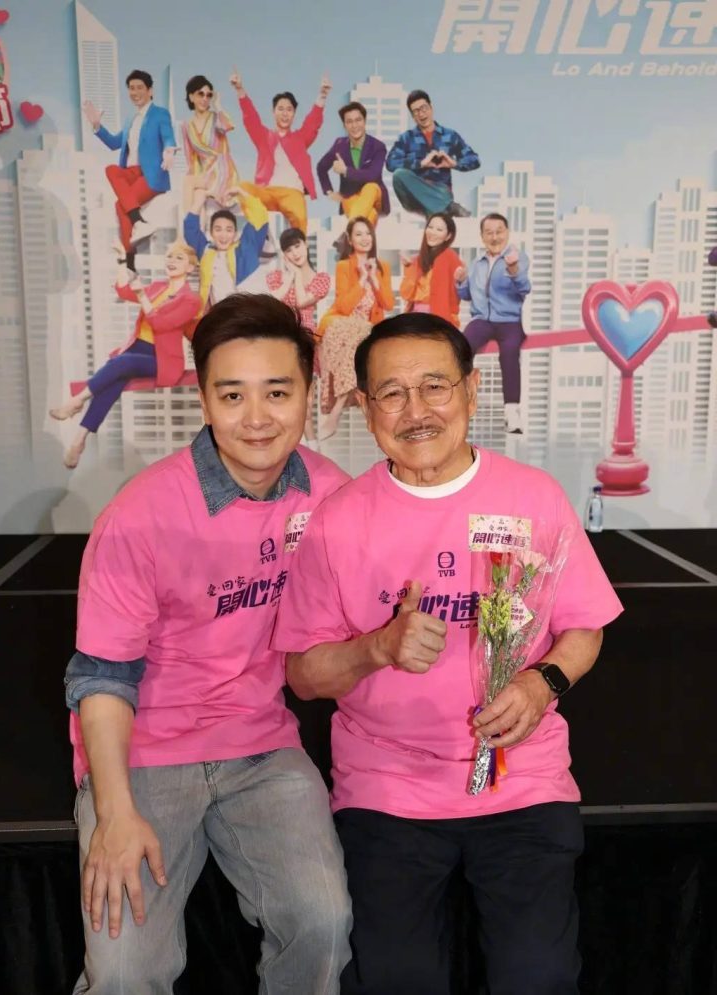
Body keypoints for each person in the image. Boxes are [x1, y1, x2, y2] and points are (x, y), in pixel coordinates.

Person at [273, 312, 623, 995]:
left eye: (435, 385)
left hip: (522, 783)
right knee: (396, 979)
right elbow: (304, 677)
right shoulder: (337, 520)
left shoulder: (534, 497)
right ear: (366, 407)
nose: (416, 410)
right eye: (392, 392)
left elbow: (585, 627)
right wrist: (377, 647)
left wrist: (541, 683)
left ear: (471, 389)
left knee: (538, 977)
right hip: (387, 790)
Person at [64, 293, 353, 995]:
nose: (256, 418)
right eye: (232, 394)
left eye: (277, 392)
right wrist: (115, 812)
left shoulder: (331, 495)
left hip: (261, 745)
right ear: (203, 399)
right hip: (145, 754)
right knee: (124, 972)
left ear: (308, 393)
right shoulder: (140, 515)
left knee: (322, 924)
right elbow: (102, 676)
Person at [50, 240, 201, 470]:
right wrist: (122, 260)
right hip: (136, 349)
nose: (171, 261)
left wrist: (142, 295)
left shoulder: (191, 300)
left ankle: (76, 400)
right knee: (113, 382)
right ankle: (79, 439)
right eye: (170, 256)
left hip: (162, 359)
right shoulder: (157, 287)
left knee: (122, 363)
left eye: (179, 258)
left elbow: (160, 324)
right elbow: (123, 290)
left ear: (190, 267)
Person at [317, 216, 394, 440]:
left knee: (361, 337)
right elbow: (344, 306)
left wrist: (374, 278)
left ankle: (337, 409)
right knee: (348, 335)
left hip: (368, 328)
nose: (364, 238)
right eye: (358, 234)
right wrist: (361, 279)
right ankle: (341, 407)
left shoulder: (383, 267)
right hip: (343, 324)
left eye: (368, 233)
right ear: (350, 240)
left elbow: (388, 303)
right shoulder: (343, 266)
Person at [83, 69, 177, 251]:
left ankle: (129, 258)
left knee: (121, 206)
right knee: (111, 170)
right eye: (131, 88)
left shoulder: (160, 114)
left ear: (150, 90)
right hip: (130, 173)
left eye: (140, 87)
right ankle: (138, 225)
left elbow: (168, 135)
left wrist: (169, 150)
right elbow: (114, 143)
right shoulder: (130, 120)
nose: (135, 92)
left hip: (150, 175)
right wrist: (96, 125)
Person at [456, 212, 531, 434]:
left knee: (509, 353)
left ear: (507, 233)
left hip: (509, 320)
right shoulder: (476, 263)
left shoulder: (518, 258)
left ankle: (512, 411)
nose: (495, 237)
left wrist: (514, 270)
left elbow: (524, 288)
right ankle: (461, 401)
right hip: (482, 320)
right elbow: (467, 295)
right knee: (461, 348)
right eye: (489, 232)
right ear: (482, 236)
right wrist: (460, 282)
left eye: (499, 231)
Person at [230, 69, 331, 234]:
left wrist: (323, 95)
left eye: (289, 110)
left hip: (292, 193)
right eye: (281, 109)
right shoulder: (264, 136)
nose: (285, 113)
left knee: (300, 218)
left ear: (294, 114)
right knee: (243, 188)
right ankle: (259, 233)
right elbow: (251, 118)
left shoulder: (300, 138)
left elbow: (313, 123)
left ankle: (300, 248)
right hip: (267, 192)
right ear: (273, 111)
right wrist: (240, 90)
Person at [267, 228, 331, 444]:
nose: (295, 253)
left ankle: (311, 447)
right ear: (284, 254)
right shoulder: (277, 277)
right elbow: (274, 301)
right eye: (289, 250)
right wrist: (291, 275)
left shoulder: (321, 279)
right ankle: (304, 445)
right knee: (284, 395)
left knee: (304, 397)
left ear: (306, 244)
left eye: (297, 246)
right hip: (279, 340)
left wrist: (296, 275)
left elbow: (302, 302)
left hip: (305, 339)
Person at [386, 89, 479, 219]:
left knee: (436, 221)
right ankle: (447, 207)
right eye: (416, 111)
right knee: (399, 175)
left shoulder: (450, 135)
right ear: (412, 116)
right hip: (414, 196)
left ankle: (441, 209)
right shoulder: (406, 138)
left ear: (431, 108)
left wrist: (454, 164)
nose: (421, 114)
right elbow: (390, 163)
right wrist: (420, 163)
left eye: (424, 108)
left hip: (439, 192)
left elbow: (474, 160)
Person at [184, 183, 269, 311]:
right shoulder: (206, 252)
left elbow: (259, 217)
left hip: (248, 311)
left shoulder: (246, 248)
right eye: (218, 229)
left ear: (235, 233)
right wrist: (200, 199)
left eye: (229, 230)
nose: (223, 235)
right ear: (211, 233)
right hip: (220, 314)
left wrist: (240, 192)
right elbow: (190, 229)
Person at [316, 101, 389, 231]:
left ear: (364, 121)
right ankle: (350, 235)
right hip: (350, 197)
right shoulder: (339, 145)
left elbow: (373, 175)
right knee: (370, 216)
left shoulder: (378, 146)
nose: (354, 125)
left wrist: (346, 171)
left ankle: (348, 233)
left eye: (358, 120)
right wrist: (329, 192)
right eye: (349, 122)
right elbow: (321, 167)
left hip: (375, 197)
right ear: (344, 125)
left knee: (370, 187)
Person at [181, 73, 241, 214]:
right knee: (197, 195)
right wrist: (197, 179)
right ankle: (193, 227)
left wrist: (217, 105)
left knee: (188, 181)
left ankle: (184, 227)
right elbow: (192, 159)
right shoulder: (186, 126)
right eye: (200, 94)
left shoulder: (216, 117)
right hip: (206, 174)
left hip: (223, 170)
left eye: (208, 95)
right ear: (191, 97)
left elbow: (228, 126)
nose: (205, 99)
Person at [400, 212, 462, 325]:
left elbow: (456, 295)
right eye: (430, 227)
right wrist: (409, 268)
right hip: (415, 315)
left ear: (448, 236)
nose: (433, 232)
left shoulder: (450, 256)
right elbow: (406, 294)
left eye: (439, 229)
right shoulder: (417, 260)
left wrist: (451, 319)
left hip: (438, 318)